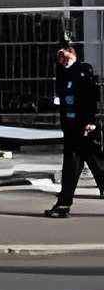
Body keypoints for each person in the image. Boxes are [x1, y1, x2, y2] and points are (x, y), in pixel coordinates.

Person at [45, 39, 104, 216]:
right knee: (90, 164)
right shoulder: (62, 73)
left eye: (64, 55)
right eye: (59, 57)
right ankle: (63, 204)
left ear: (72, 52)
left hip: (85, 127)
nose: (62, 60)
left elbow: (92, 99)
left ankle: (63, 204)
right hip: (72, 128)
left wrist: (91, 121)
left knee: (84, 166)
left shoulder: (84, 71)